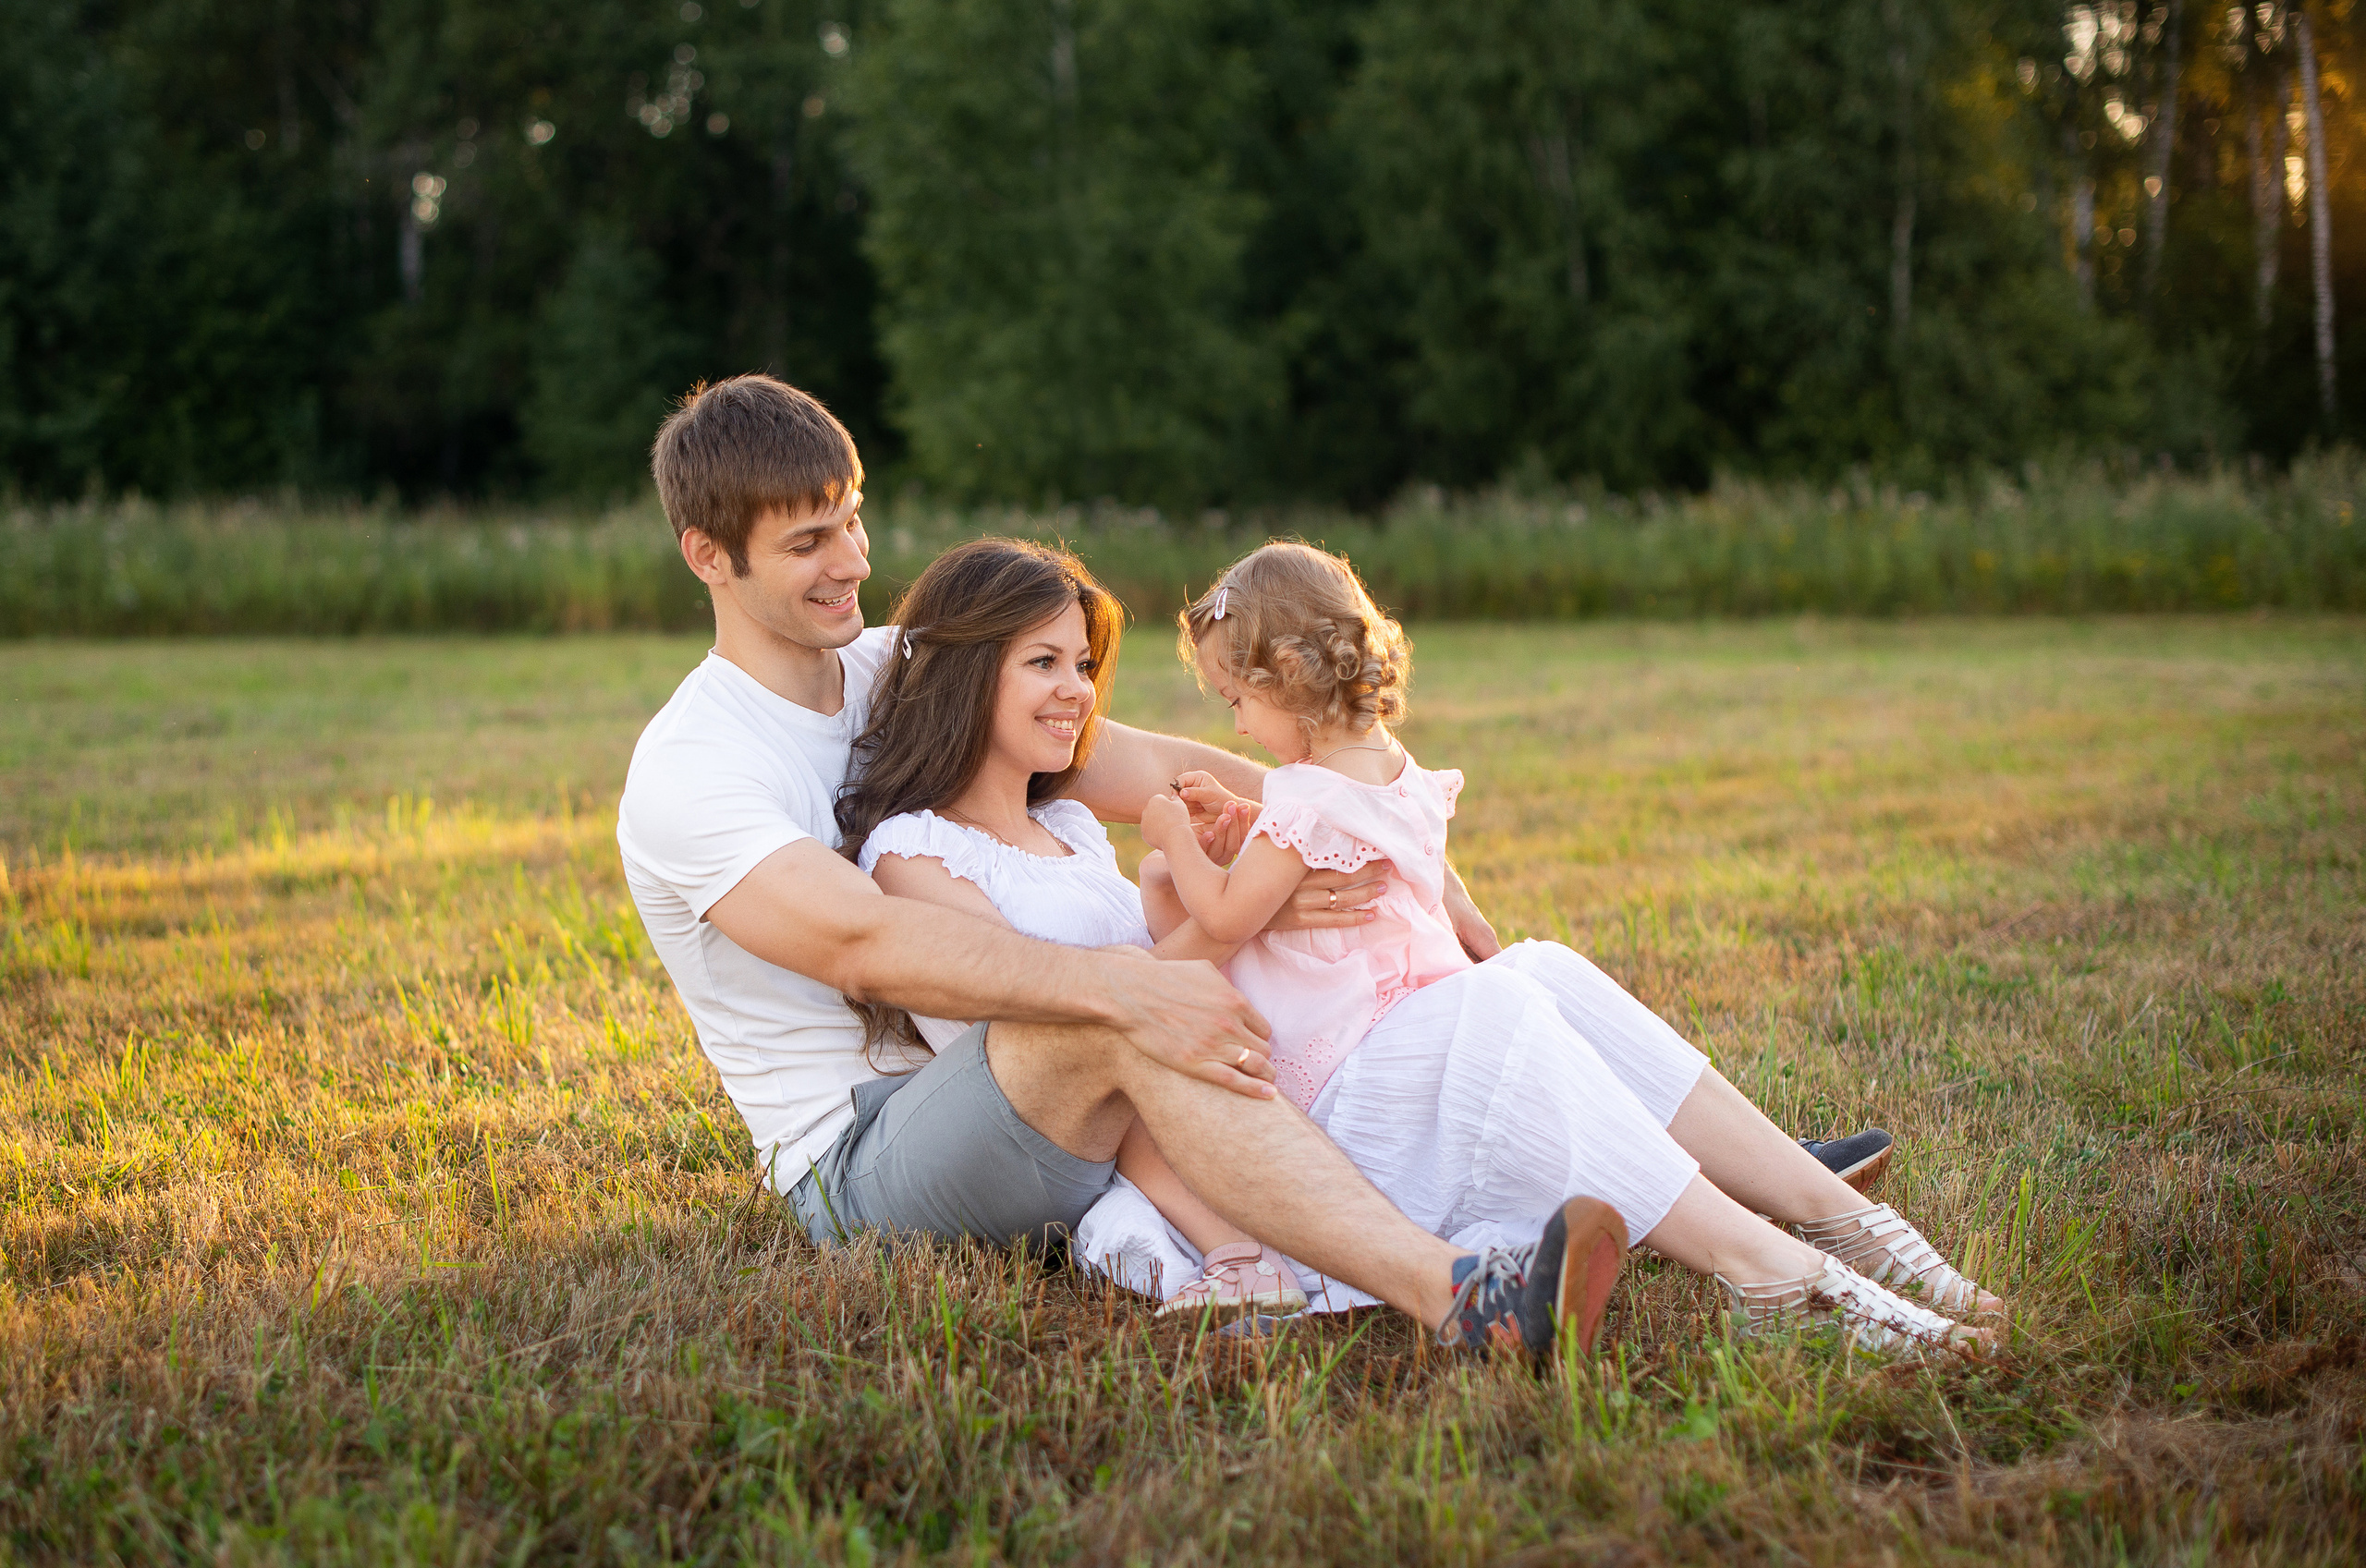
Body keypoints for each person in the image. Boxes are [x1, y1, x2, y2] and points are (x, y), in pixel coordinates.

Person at [616, 374, 1616, 1360]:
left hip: (1011, 1084)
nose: (852, 562)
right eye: (807, 543)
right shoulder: (695, 763)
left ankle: (1728, 1189)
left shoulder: (893, 667)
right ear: (707, 555)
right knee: (1114, 1015)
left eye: (852, 520)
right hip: (866, 1155)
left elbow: (1161, 767)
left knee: (1466, 975)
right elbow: (864, 940)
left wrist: (1405, 850)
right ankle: (1457, 1298)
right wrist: (1125, 986)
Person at [848, 536, 2003, 1356]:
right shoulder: (914, 852)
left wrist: (1320, 863)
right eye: (1041, 662)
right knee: (1491, 1012)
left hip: (1255, 1060)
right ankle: (1768, 1270)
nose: (1076, 690)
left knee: (1527, 967)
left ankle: (1838, 1219)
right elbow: (1060, 1028)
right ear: (966, 676)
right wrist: (1230, 899)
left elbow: (1285, 792)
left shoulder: (1060, 818)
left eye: (1081, 661)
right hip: (1221, 1131)